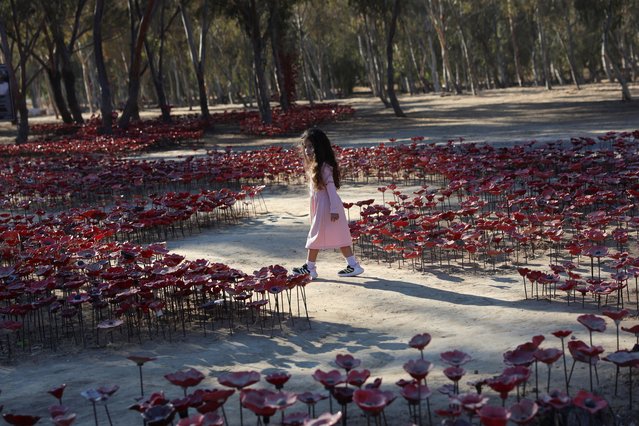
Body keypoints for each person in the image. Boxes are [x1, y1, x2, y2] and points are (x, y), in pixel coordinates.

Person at [292, 128, 364, 279]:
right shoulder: (316, 165)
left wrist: (334, 209)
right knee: (338, 234)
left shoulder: (324, 167)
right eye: (305, 147)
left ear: (320, 146)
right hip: (322, 206)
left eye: (311, 146)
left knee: (314, 236)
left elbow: (331, 189)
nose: (307, 150)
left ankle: (310, 268)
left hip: (328, 206)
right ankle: (353, 265)